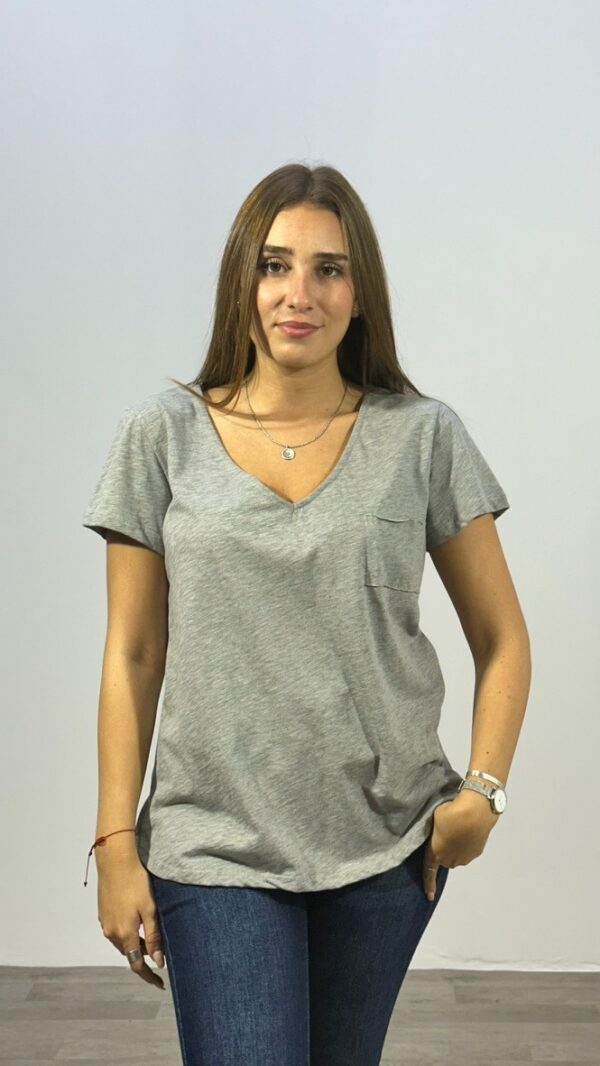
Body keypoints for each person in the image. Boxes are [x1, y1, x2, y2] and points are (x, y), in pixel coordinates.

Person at [81, 163, 531, 1066]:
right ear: (240, 282)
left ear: (360, 293)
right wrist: (115, 839)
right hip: (214, 842)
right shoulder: (160, 436)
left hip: (386, 841)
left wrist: (482, 793)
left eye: (329, 269)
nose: (300, 293)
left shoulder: (422, 435)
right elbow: (132, 653)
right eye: (274, 265)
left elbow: (502, 638)